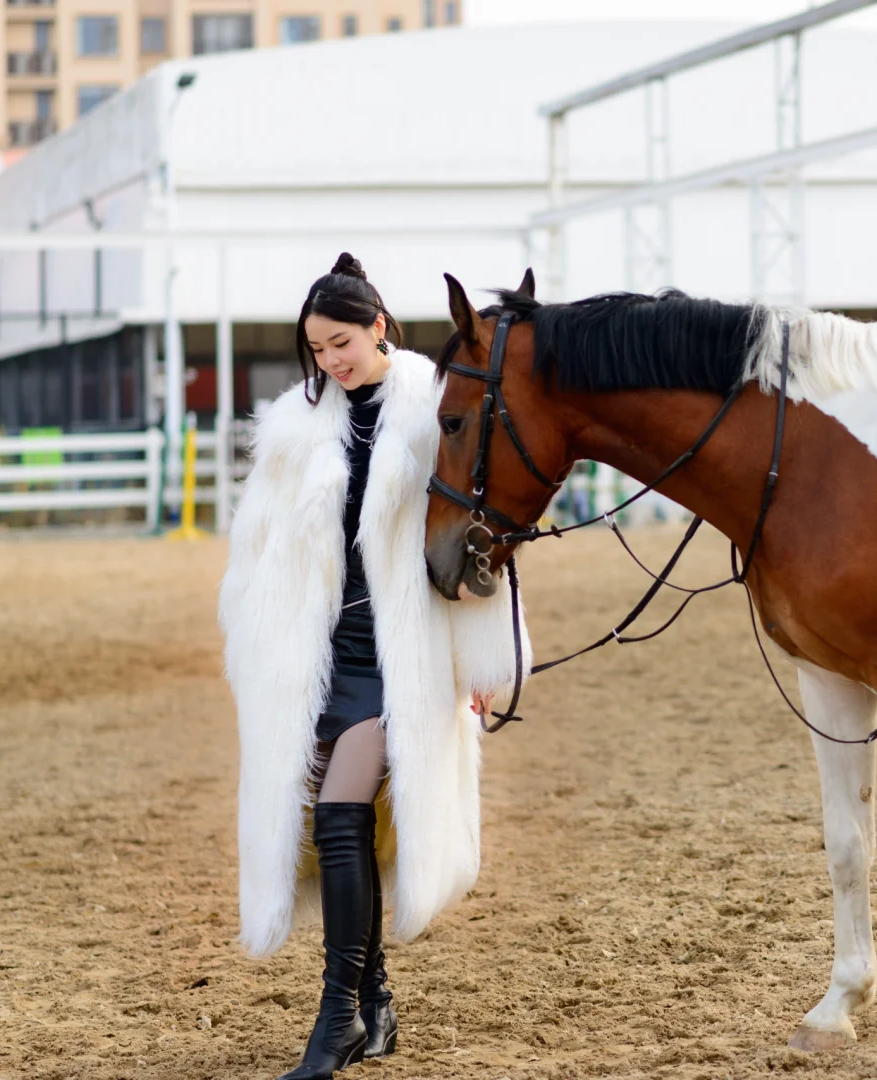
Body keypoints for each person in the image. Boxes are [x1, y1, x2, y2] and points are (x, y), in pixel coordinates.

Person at [218, 253, 526, 1080]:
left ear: (378, 325)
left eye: (341, 342)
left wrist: (487, 663)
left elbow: (482, 536)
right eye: (317, 349)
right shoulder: (294, 425)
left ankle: (337, 1019)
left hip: (402, 655)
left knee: (341, 812)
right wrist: (255, 651)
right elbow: (258, 554)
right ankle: (376, 998)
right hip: (313, 658)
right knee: (342, 827)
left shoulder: (435, 409)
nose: (330, 362)